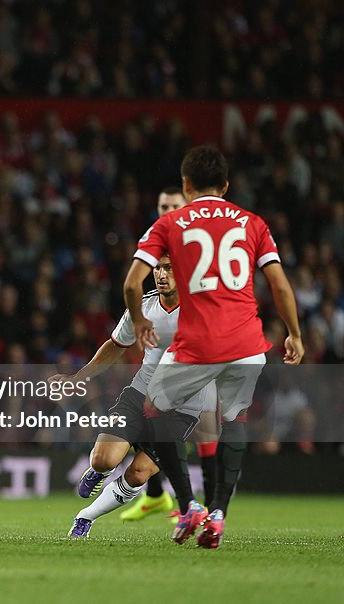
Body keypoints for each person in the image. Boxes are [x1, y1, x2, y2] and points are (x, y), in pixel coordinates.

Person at [125, 145, 304, 549]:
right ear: (225, 185)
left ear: (187, 186)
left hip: (200, 340)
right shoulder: (253, 222)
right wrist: (294, 332)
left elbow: (133, 282)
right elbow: (278, 284)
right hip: (246, 341)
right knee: (234, 418)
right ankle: (219, 513)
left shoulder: (170, 222)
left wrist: (138, 321)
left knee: (156, 405)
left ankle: (188, 504)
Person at [53, 253, 217, 538]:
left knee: (138, 473)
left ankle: (85, 517)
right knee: (103, 460)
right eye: (157, 268)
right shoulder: (144, 308)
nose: (161, 274)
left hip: (181, 409)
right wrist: (77, 378)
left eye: (169, 268)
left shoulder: (202, 311)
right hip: (140, 393)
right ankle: (99, 472)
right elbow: (116, 346)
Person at [122, 188, 218, 523]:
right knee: (151, 415)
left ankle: (205, 505)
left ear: (188, 205)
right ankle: (160, 496)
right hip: (168, 349)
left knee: (203, 425)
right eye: (163, 205)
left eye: (174, 205)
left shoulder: (199, 243)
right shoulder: (157, 241)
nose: (167, 210)